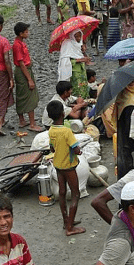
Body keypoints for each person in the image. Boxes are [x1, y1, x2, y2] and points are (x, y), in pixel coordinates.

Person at [47, 101, 86, 237]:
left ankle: (66, 221)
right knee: (75, 193)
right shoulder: (66, 131)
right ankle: (70, 228)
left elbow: (52, 148)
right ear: (63, 114)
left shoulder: (51, 130)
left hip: (57, 165)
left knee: (62, 192)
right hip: (68, 166)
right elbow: (75, 149)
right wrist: (79, 151)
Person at [12, 22, 44, 132]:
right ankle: (32, 124)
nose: (28, 33)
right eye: (26, 32)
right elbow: (21, 63)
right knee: (29, 96)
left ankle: (22, 120)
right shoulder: (17, 45)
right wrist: (29, 79)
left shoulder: (20, 43)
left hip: (23, 70)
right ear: (21, 33)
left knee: (21, 95)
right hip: (23, 71)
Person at [58, 30, 90, 100]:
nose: (78, 38)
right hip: (73, 72)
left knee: (83, 87)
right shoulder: (67, 44)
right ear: (72, 36)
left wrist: (83, 53)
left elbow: (80, 55)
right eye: (76, 36)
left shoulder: (79, 44)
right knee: (76, 89)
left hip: (82, 71)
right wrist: (80, 60)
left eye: (80, 36)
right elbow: (65, 60)